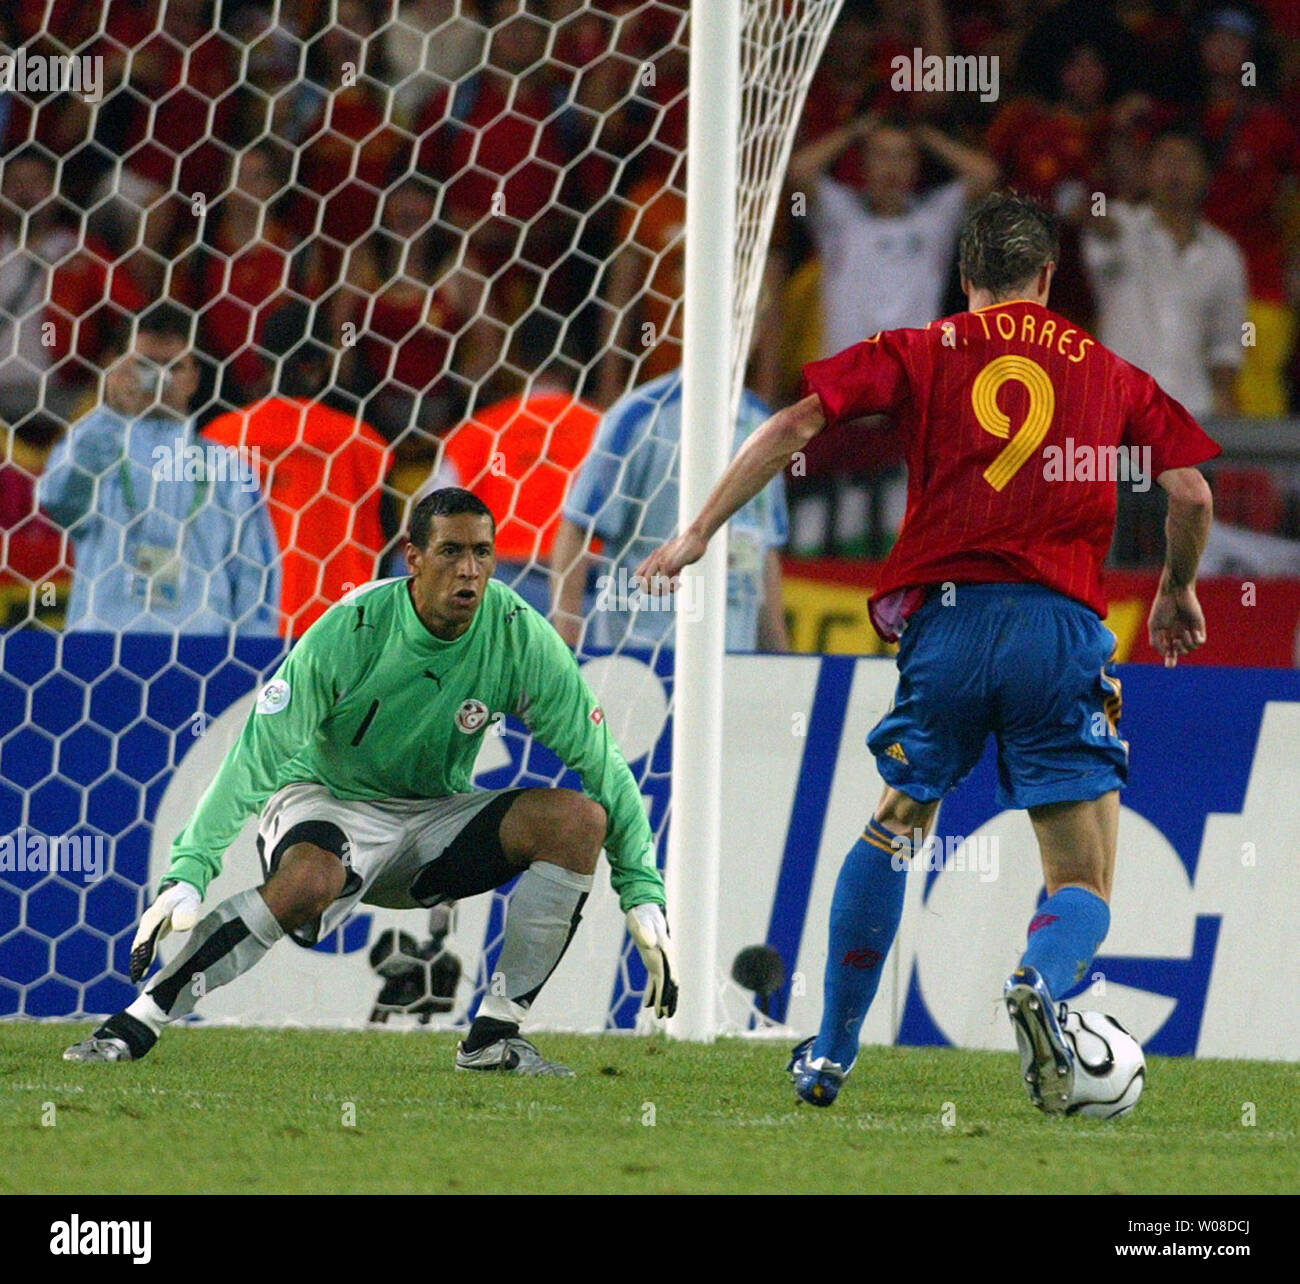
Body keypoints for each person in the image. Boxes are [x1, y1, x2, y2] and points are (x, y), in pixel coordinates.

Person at [637, 193, 1218, 1113]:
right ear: (1048, 276)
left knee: (897, 820)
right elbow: (1187, 494)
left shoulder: (923, 348)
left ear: (964, 277)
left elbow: (793, 425)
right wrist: (1177, 589)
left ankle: (829, 1054)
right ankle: (1039, 978)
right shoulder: (1110, 370)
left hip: (941, 627)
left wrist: (700, 530)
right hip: (1058, 629)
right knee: (1082, 876)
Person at [64, 488, 677, 1075]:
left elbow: (603, 763)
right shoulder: (353, 628)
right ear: (413, 558)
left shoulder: (519, 634)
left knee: (579, 821)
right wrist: (188, 869)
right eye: (451, 552)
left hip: (433, 819)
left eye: (482, 553)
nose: (469, 571)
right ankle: (138, 1018)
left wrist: (642, 888)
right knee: (308, 880)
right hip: (328, 801)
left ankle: (495, 1038)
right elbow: (256, 755)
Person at [36, 303, 281, 635]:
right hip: (100, 655)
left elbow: (259, 575)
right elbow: (57, 499)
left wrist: (251, 667)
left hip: (203, 660)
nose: (159, 379)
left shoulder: (229, 470)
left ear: (194, 378)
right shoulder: (95, 453)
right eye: (145, 365)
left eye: (173, 367)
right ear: (119, 369)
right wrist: (109, 415)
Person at [553, 369, 788, 654]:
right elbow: (578, 527)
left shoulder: (763, 423)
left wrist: (779, 657)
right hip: (641, 660)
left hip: (735, 663)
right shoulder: (639, 415)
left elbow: (765, 551)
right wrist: (565, 651)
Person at [202, 310, 392, 638]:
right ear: (324, 364)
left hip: (240, 631)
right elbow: (389, 542)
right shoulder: (363, 443)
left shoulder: (221, 437)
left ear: (261, 359)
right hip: (340, 631)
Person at [1083, 128, 1247, 419]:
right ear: (1146, 172)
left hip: (1194, 413)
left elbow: (1228, 343)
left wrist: (1225, 400)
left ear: (1206, 176)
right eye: (1165, 160)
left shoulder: (1224, 253)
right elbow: (1097, 227)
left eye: (1185, 160)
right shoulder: (1120, 226)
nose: (1174, 170)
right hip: (1119, 415)